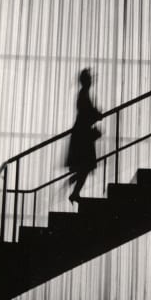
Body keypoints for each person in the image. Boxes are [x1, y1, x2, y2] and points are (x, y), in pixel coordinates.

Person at [66, 68, 102, 203]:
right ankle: (75, 190)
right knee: (87, 164)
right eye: (90, 78)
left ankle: (75, 188)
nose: (92, 80)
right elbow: (86, 113)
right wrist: (96, 115)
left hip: (82, 133)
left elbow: (85, 112)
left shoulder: (83, 94)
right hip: (83, 134)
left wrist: (95, 114)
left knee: (86, 165)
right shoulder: (83, 94)